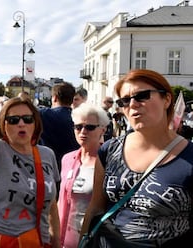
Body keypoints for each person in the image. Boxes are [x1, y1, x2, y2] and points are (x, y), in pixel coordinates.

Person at [80, 69, 193, 246]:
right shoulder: (110, 150)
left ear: (167, 99)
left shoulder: (188, 157)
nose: (132, 104)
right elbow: (96, 207)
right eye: (124, 100)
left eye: (142, 96)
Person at [0, 50, 61, 247]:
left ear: (35, 124)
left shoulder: (47, 155)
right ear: (4, 125)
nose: (21, 124)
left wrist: (56, 239)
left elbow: (52, 206)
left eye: (27, 119)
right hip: (2, 240)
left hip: (38, 241)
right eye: (13, 119)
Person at [58, 103, 109, 248]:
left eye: (89, 127)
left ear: (102, 130)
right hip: (64, 239)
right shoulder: (67, 159)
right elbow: (60, 201)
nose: (83, 131)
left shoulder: (108, 162)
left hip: (93, 240)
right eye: (78, 127)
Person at [39, 82, 80, 173]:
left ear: (55, 98)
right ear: (72, 99)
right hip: (72, 166)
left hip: (48, 166)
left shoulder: (44, 114)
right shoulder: (79, 117)